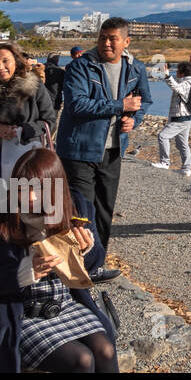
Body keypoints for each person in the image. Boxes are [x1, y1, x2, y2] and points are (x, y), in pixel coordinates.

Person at [0, 147, 117, 373]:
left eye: (39, 189)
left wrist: (85, 251)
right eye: (22, 188)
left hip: (66, 306)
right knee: (81, 360)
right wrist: (20, 273)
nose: (30, 197)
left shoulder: (76, 208)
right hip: (18, 314)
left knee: (105, 351)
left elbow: (95, 263)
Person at [56, 18, 150, 278]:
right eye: (102, 38)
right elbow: (77, 105)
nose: (106, 43)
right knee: (82, 209)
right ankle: (77, 265)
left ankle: (95, 263)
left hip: (113, 149)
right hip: (78, 149)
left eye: (113, 38)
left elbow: (144, 101)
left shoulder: (135, 68)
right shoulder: (80, 67)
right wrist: (121, 106)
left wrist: (134, 119)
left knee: (104, 207)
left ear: (126, 42)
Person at [0, 44, 57, 210]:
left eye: (5, 61)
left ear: (16, 61)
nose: (0, 67)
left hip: (28, 156)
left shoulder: (34, 85)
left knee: (26, 210)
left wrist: (26, 130)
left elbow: (50, 120)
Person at [153, 53, 191, 176]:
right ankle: (186, 169)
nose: (176, 73)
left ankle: (165, 162)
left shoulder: (186, 84)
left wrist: (167, 75)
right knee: (182, 143)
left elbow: (176, 87)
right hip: (188, 117)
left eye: (178, 71)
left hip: (181, 118)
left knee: (163, 136)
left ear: (182, 74)